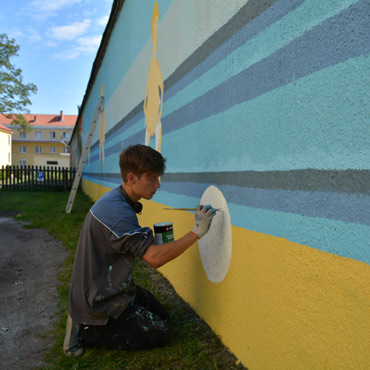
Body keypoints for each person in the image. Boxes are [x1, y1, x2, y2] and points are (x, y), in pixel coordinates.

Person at [63, 144, 216, 357]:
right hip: (99, 300)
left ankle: (87, 316)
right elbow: (154, 258)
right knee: (160, 333)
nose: (158, 185)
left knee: (162, 315)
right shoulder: (117, 213)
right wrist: (197, 232)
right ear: (133, 178)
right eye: (152, 178)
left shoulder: (118, 200)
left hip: (110, 288)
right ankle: (86, 328)